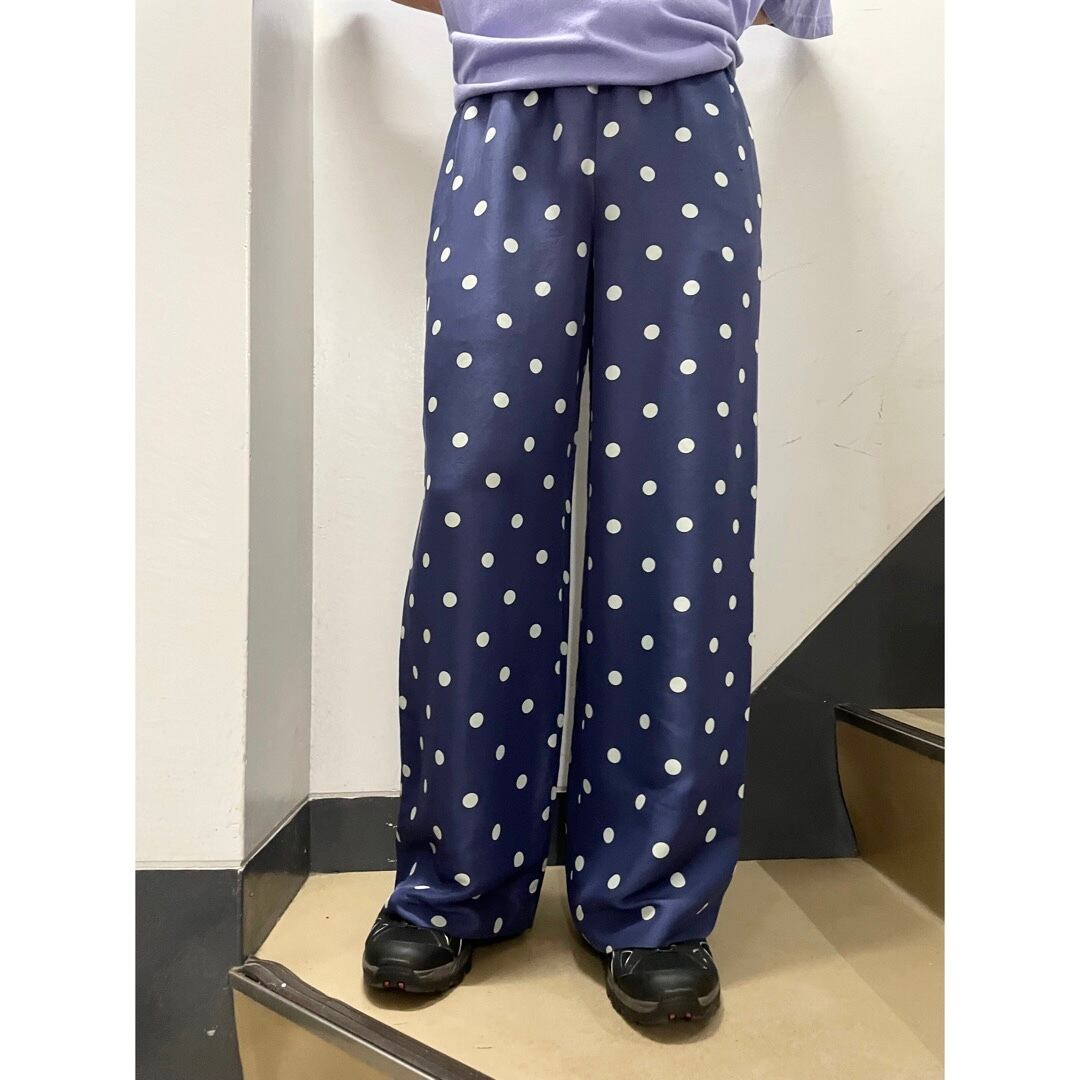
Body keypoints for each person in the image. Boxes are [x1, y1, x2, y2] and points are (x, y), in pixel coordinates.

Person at [362, 0, 833, 1026]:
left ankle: (654, 897)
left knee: (683, 506)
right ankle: (457, 876)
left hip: (687, 119)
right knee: (480, 491)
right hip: (503, 119)